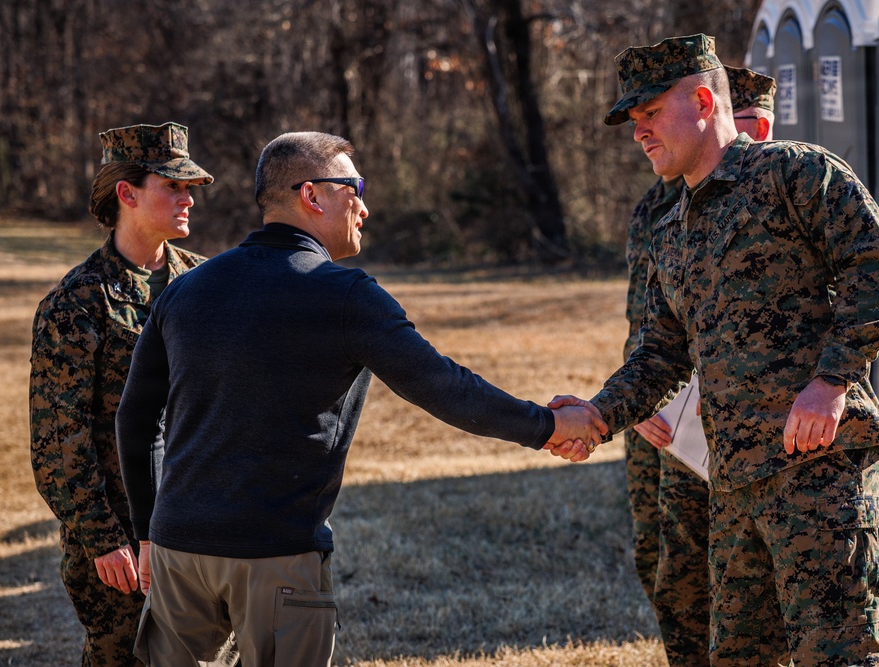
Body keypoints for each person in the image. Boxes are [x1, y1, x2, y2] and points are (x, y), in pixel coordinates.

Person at [115, 131, 604, 667]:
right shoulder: (344, 294)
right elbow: (442, 386)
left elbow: (136, 420)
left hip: (177, 553)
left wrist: (147, 535)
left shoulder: (185, 290)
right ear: (313, 195)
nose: (365, 207)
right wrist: (549, 427)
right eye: (355, 187)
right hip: (275, 555)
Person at [554, 34, 879, 665]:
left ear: (701, 100)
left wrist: (831, 383)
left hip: (816, 468)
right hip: (732, 481)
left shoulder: (796, 175)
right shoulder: (671, 228)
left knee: (839, 653)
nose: (639, 132)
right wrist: (599, 414)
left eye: (650, 114)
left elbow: (876, 277)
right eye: (632, 121)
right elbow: (660, 355)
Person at [28, 122, 225, 666]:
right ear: (126, 193)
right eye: (174, 186)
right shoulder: (77, 304)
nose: (189, 199)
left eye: (191, 188)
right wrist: (103, 538)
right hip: (120, 543)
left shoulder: (205, 284)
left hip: (201, 524)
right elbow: (58, 443)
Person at [621, 63, 776, 666]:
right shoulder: (657, 208)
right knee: (668, 566)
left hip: (759, 426)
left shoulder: (795, 191)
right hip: (667, 422)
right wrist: (637, 403)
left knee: (751, 583)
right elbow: (646, 326)